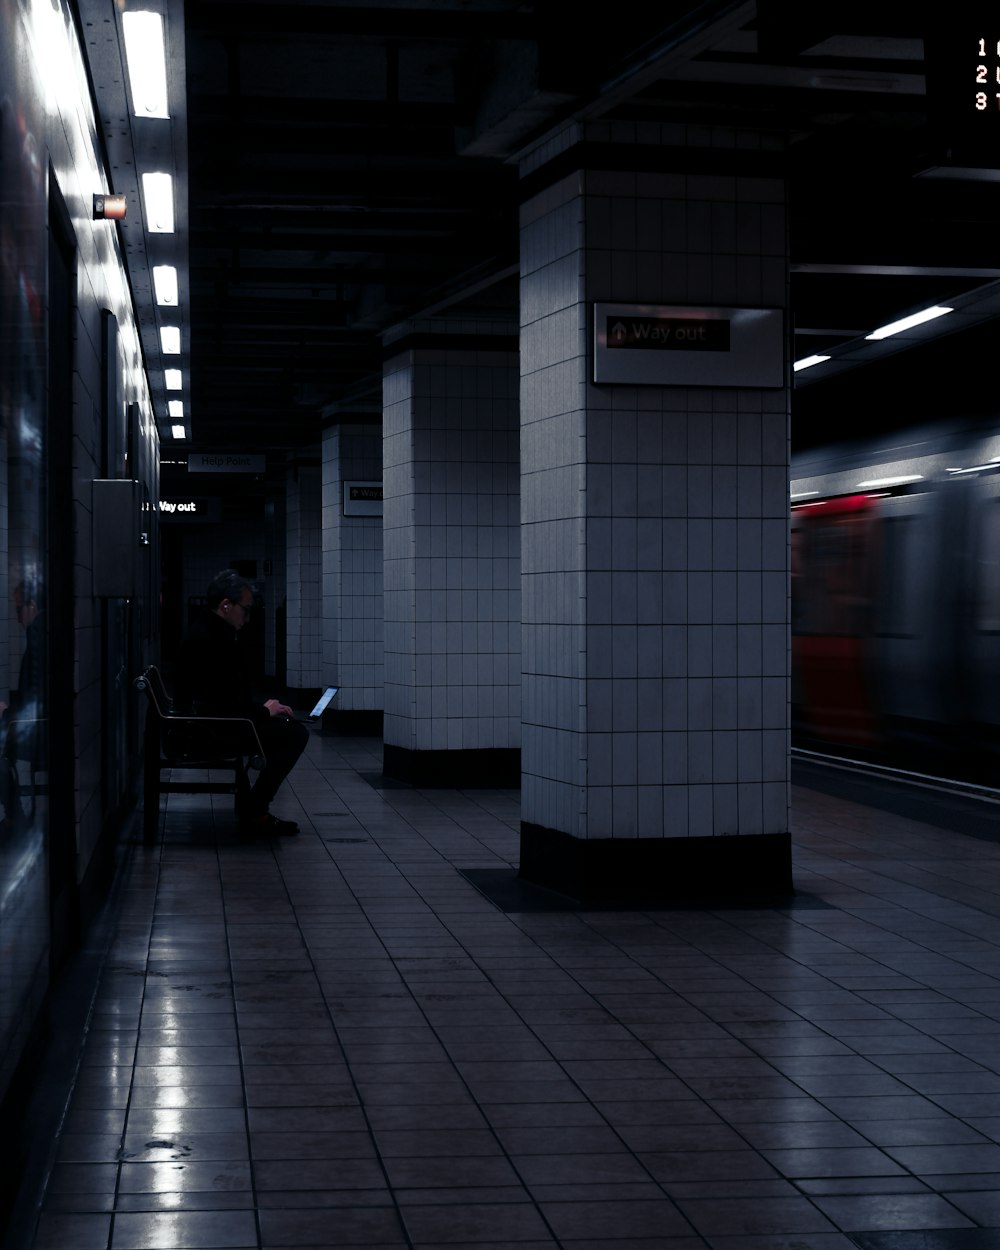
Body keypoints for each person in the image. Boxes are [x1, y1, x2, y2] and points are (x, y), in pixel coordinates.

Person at [173, 569, 307, 836]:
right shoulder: (212, 641)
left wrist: (262, 710)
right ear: (226, 605)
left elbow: (224, 696)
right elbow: (224, 704)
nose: (248, 618)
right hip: (210, 730)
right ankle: (256, 810)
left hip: (204, 723)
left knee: (282, 724)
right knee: (295, 734)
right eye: (245, 610)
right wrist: (262, 712)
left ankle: (254, 807)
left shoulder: (206, 631)